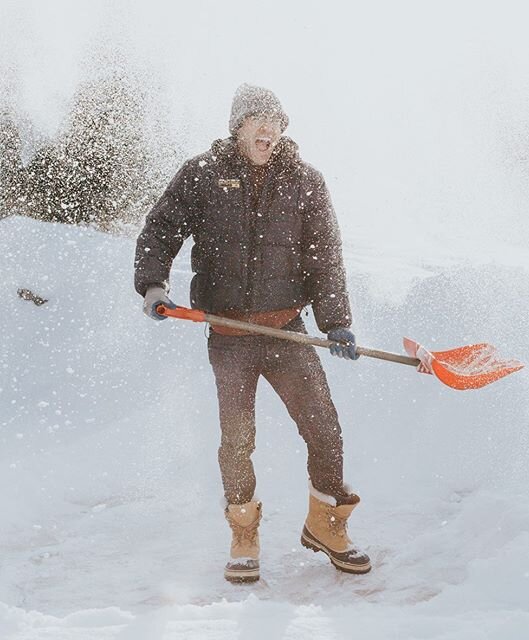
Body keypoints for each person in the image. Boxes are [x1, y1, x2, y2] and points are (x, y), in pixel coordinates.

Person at [134, 83, 370, 582]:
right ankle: (244, 531)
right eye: (257, 120)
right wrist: (154, 285)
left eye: (276, 122)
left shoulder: (305, 180)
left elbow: (325, 256)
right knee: (237, 440)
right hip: (229, 334)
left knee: (323, 429)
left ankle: (326, 524)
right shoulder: (203, 174)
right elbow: (161, 229)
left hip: (288, 330)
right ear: (237, 127)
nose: (268, 129)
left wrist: (337, 322)